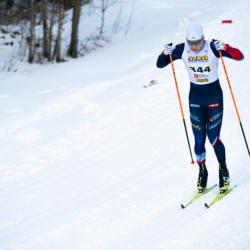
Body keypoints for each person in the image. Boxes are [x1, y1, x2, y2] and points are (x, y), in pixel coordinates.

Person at [156, 23, 244, 192]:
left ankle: (223, 169)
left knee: (213, 137)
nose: (194, 46)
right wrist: (164, 53)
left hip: (214, 97)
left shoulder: (212, 46)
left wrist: (226, 47)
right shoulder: (182, 49)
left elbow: (239, 56)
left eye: (197, 42)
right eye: (191, 43)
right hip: (195, 98)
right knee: (198, 139)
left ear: (203, 39)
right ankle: (202, 171)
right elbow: (160, 64)